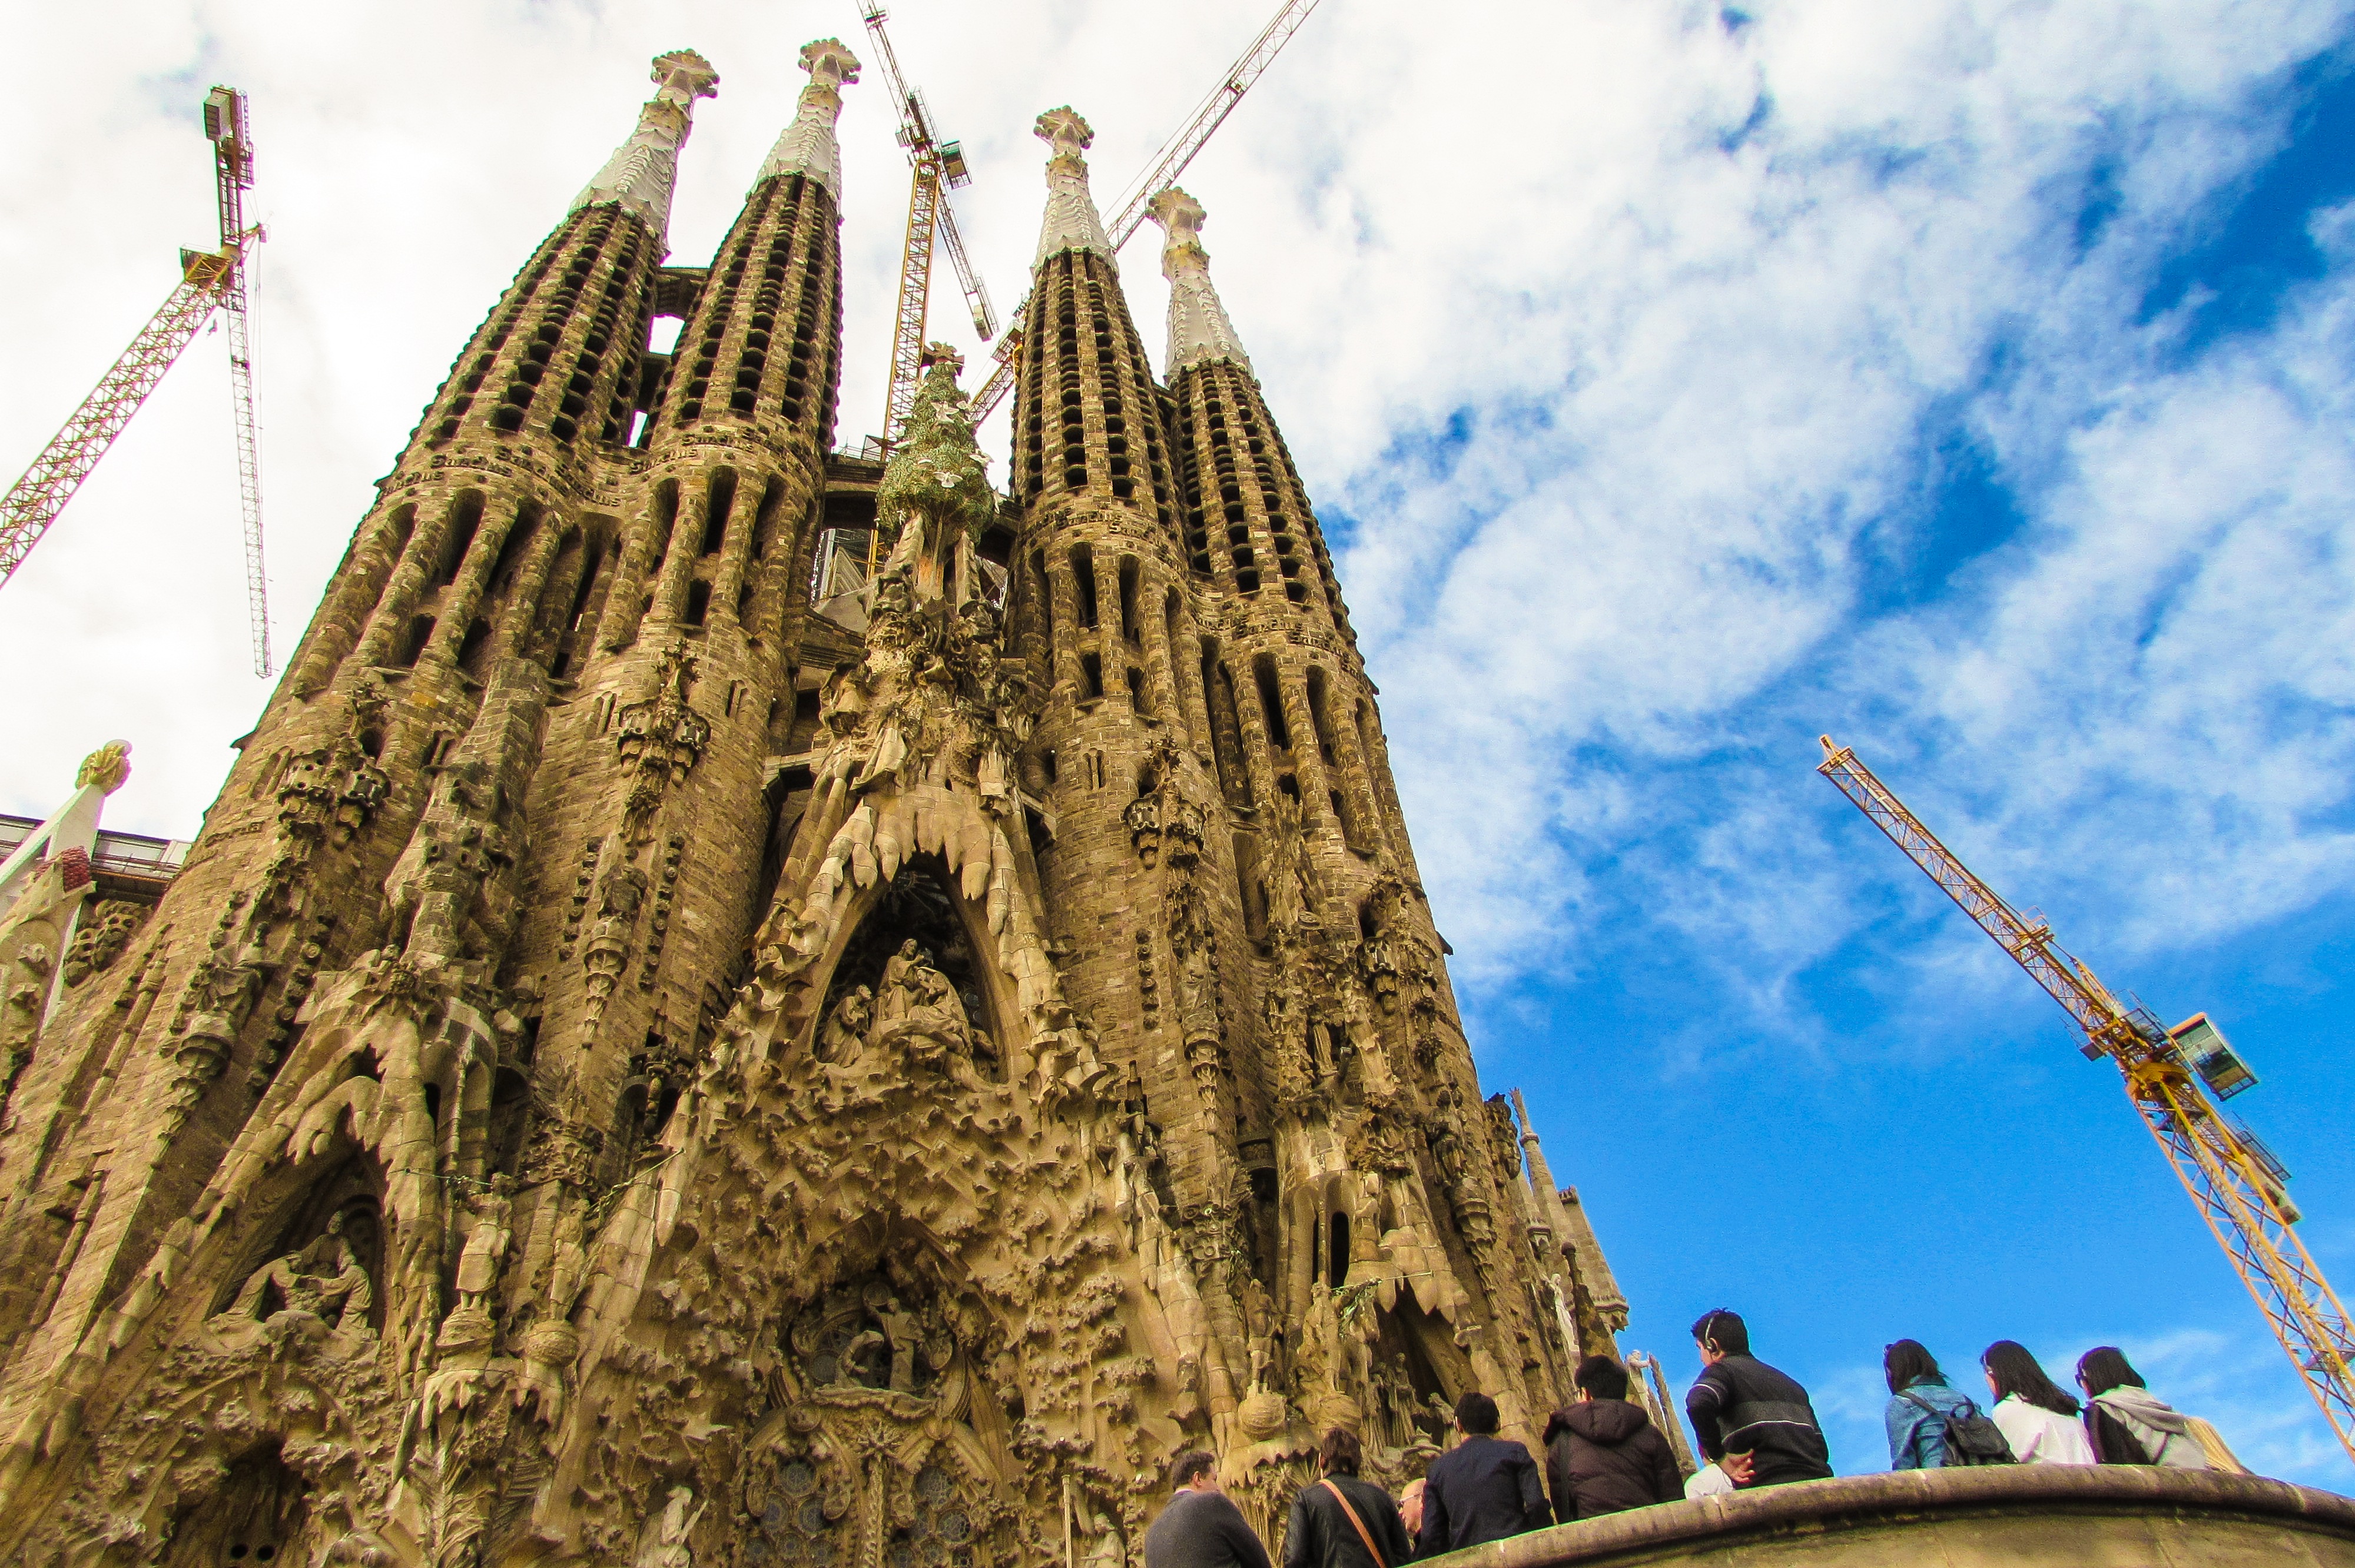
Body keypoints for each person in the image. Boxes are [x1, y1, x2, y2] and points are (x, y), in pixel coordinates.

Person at [1683, 1310, 1833, 1488]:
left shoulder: (1722, 1371)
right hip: (1820, 1488)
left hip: (1770, 1494)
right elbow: (1821, 1449)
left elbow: (1698, 1403)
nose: (1701, 1358)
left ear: (1712, 1346)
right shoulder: (1793, 1386)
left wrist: (1720, 1457)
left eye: (1700, 1348)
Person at [1544, 1354, 1683, 1521]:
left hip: (1595, 1539)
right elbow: (1674, 1499)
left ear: (1585, 1393)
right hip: (1652, 1533)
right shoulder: (1651, 1435)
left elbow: (1565, 1510)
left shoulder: (1562, 1443)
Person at [1417, 1392, 1551, 1556]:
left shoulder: (1438, 1469)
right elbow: (1537, 1505)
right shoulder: (1514, 1452)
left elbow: (1431, 1534)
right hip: (1517, 1553)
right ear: (1498, 1423)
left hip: (1468, 1559)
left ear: (1458, 1424)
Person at [1283, 1428, 1413, 1568]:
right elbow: (1404, 1558)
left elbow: (1294, 1559)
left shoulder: (1306, 1499)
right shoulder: (1382, 1497)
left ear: (1322, 1461)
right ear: (1358, 1462)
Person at [2074, 1347, 2217, 1469]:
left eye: (2080, 1378)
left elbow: (2117, 1463)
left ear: (2092, 1378)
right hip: (2200, 1480)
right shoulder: (2157, 1405)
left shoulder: (2103, 1409)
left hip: (2163, 1489)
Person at [1144, 1450, 1272, 1568]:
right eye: (1214, 1479)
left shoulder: (1151, 1534)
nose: (1218, 1488)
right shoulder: (1212, 1503)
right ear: (1198, 1479)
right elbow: (1259, 1562)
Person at [1980, 1341, 2095, 1464]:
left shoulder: (2010, 1408)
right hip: (2090, 1481)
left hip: (2052, 1482)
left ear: (1993, 1373)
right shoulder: (2066, 1411)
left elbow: (2007, 1462)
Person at [1882, 1340, 1977, 1470]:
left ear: (1892, 1371)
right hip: (1980, 1480)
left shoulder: (1901, 1402)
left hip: (1940, 1481)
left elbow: (1904, 1464)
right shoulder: (1964, 1400)